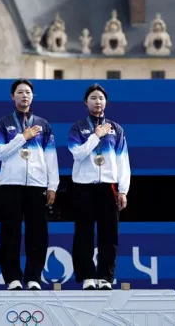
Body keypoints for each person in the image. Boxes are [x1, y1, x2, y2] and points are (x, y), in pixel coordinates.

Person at [0, 78, 58, 290]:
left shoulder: (43, 125)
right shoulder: (2, 123)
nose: (24, 95)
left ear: (32, 96)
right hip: (11, 184)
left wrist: (52, 185)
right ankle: (12, 278)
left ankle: (33, 278)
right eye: (20, 92)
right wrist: (23, 137)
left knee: (37, 233)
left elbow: (51, 157)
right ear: (13, 96)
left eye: (28, 92)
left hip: (37, 185)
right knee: (10, 232)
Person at [67, 84, 130, 291]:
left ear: (106, 102)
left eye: (101, 98)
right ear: (86, 102)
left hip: (109, 186)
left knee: (109, 234)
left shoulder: (117, 129)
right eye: (93, 98)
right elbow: (77, 154)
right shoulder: (78, 127)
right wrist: (96, 135)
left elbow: (123, 161)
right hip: (83, 186)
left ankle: (105, 277)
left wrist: (123, 190)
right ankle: (87, 277)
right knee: (83, 233)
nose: (97, 101)